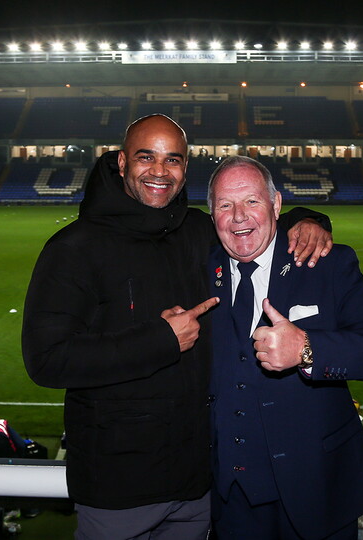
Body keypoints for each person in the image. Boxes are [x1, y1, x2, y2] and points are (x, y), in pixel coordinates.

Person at [21, 114, 332, 539]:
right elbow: (46, 360)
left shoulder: (199, 232)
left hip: (196, 486)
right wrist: (159, 340)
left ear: (186, 168)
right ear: (120, 162)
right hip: (118, 488)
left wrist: (309, 221)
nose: (160, 172)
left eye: (174, 160)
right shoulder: (73, 249)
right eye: (146, 157)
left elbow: (252, 226)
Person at [205, 156, 363, 540]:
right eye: (225, 205)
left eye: (251, 201)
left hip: (317, 494)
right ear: (211, 212)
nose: (238, 217)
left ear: (276, 205)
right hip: (229, 504)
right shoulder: (197, 269)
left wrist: (308, 349)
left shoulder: (325, 264)